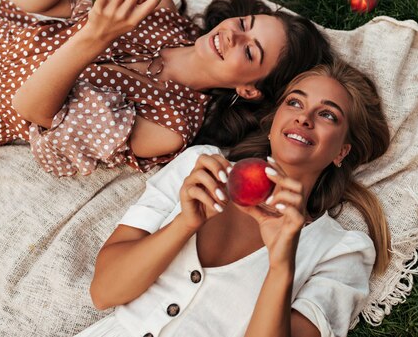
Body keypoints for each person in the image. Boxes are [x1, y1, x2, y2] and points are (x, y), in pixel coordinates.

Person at [0, 0, 332, 177]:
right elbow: (25, 0)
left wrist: (97, 34)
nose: (232, 34)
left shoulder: (169, 128)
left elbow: (30, 107)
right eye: (246, 22)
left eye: (250, 51)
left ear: (250, 89)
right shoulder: (163, 11)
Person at [78, 61, 392, 337]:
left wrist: (282, 264)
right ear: (272, 126)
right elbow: (104, 292)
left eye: (328, 115)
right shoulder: (200, 168)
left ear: (341, 151)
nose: (305, 118)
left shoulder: (341, 251)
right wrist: (184, 224)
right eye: (295, 103)